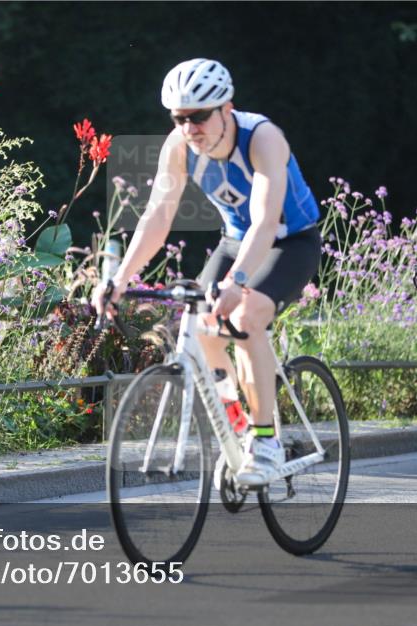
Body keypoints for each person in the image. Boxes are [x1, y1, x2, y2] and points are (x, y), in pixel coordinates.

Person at [92, 58, 322, 486]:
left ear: (226, 108)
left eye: (199, 117)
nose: (190, 128)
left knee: (244, 316)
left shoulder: (262, 138)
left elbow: (266, 220)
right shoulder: (178, 147)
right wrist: (119, 280)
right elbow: (157, 218)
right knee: (200, 323)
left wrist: (237, 283)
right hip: (236, 241)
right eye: (180, 119)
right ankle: (238, 427)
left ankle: (267, 440)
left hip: (290, 241)